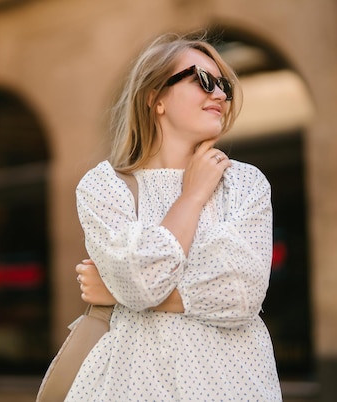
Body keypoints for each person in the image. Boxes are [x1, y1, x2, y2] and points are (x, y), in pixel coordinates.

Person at [69, 32, 282, 401]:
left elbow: (240, 294)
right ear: (156, 98)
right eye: (203, 81)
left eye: (223, 86)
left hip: (235, 389)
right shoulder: (104, 187)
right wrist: (193, 194)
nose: (218, 95)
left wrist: (118, 294)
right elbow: (141, 281)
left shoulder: (245, 184)